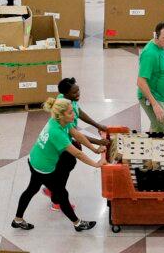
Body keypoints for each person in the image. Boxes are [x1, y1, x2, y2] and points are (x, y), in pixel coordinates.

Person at [12, 96, 105, 231]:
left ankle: (17, 220)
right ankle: (77, 223)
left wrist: (95, 149)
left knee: (32, 189)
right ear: (61, 115)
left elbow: (77, 135)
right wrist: (96, 164)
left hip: (35, 159)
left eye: (72, 111)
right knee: (62, 194)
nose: (74, 114)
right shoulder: (56, 132)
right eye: (70, 113)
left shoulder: (59, 121)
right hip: (43, 168)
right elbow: (77, 153)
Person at [42, 77, 110, 211]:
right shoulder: (64, 109)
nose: (78, 94)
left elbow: (80, 113)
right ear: (66, 94)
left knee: (65, 168)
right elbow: (75, 134)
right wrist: (97, 144)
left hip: (65, 142)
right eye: (74, 93)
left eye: (78, 91)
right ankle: (57, 201)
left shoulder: (69, 100)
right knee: (64, 170)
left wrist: (97, 125)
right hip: (62, 144)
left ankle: (52, 188)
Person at [136, 22, 164, 133]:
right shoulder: (150, 54)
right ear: (156, 36)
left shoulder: (161, 46)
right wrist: (155, 105)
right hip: (153, 98)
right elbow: (140, 81)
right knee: (161, 130)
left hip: (161, 97)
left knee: (159, 125)